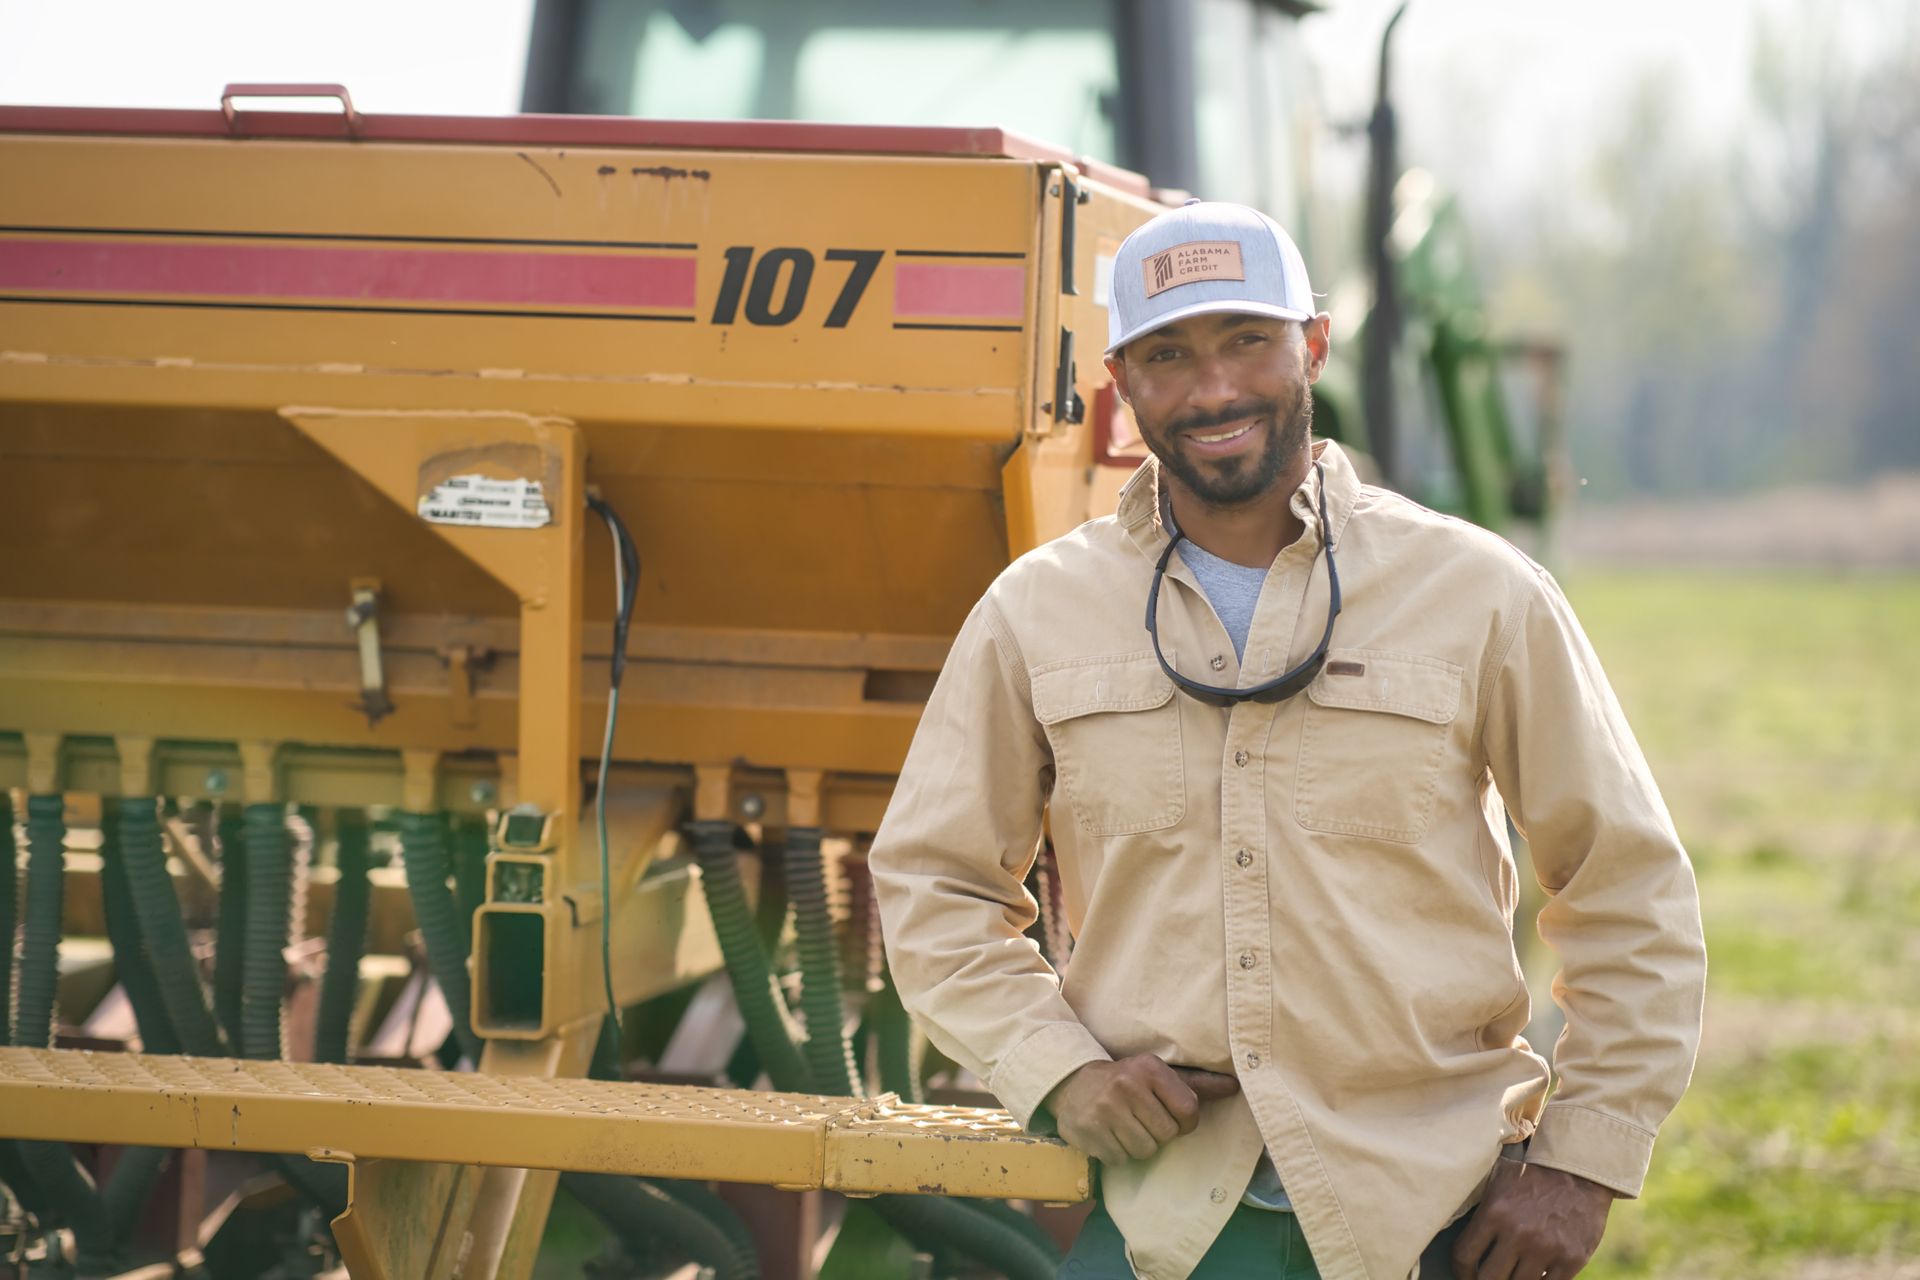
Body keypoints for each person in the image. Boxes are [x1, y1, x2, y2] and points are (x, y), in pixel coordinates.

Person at [868, 200, 1706, 1280]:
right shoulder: (1035, 612)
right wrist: (1058, 1068)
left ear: (1312, 345)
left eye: (1246, 341)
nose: (1214, 389)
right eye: (1168, 355)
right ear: (1121, 382)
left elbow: (1629, 887)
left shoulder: (1482, 594)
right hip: (1167, 1229)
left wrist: (1581, 1165)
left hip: (1433, 1221)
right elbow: (933, 883)